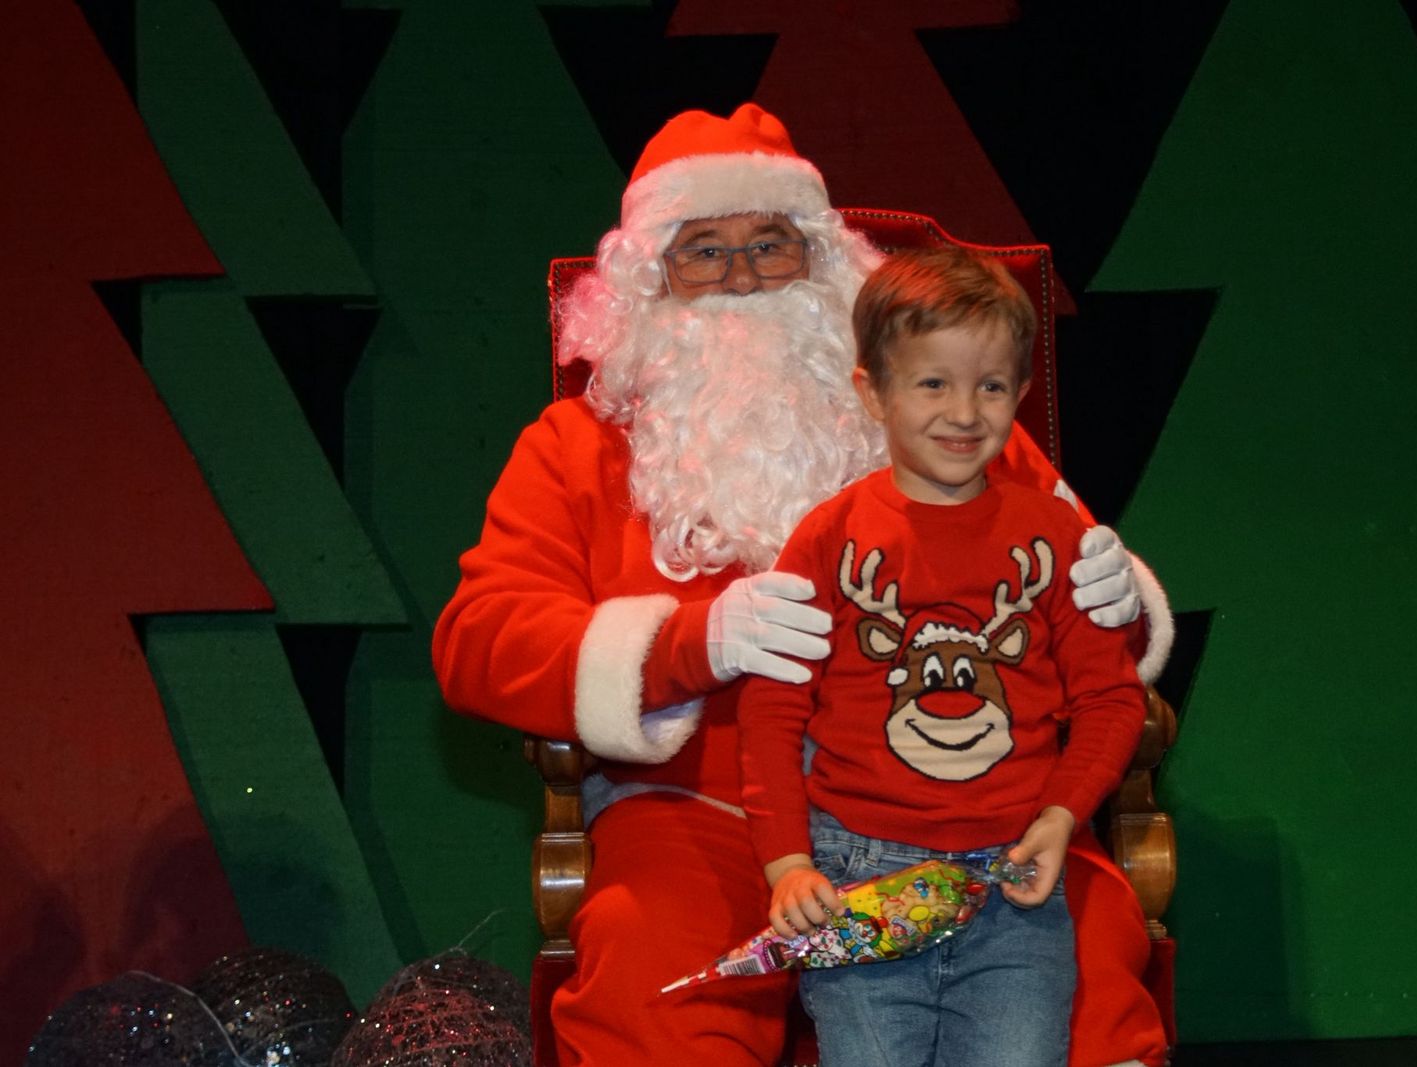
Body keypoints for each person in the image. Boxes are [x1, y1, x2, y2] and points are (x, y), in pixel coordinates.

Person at [431, 103, 1173, 1067]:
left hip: (971, 811)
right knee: (652, 993)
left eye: (770, 245)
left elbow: (1079, 580)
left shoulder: (933, 405)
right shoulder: (577, 446)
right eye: (703, 251)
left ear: (820, 262)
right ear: (648, 281)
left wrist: (1120, 595)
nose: (740, 278)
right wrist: (689, 644)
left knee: (1086, 972)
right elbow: (479, 637)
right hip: (701, 815)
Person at [739, 246, 1148, 1067]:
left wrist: (1061, 815)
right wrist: (787, 862)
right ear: (873, 393)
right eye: (933, 383)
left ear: (1020, 395)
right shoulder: (828, 538)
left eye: (990, 385)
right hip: (858, 873)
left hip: (1013, 885)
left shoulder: (1055, 533)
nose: (965, 411)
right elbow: (772, 711)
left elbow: (1110, 699)